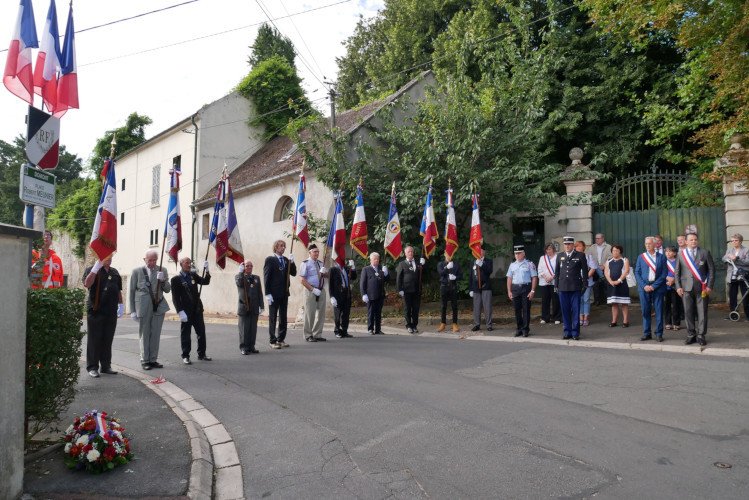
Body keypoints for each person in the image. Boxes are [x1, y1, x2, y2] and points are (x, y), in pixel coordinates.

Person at [129, 250, 171, 370]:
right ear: (145, 260)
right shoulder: (137, 271)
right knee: (145, 333)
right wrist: (132, 310)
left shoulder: (162, 270)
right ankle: (144, 360)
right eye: (150, 260)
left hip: (158, 305)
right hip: (143, 305)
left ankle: (153, 359)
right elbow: (132, 291)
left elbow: (167, 289)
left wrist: (163, 281)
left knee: (155, 334)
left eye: (154, 260)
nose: (152, 263)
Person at [82, 257, 124, 378]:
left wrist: (121, 305)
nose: (109, 258)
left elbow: (118, 290)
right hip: (96, 309)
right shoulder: (91, 269)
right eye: (106, 256)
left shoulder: (114, 272)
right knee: (94, 339)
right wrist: (95, 269)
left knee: (107, 338)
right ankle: (93, 367)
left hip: (110, 309)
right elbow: (87, 283)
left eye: (111, 256)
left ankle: (106, 365)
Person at [675, 233, 715, 346]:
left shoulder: (705, 252)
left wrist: (709, 286)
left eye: (695, 239)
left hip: (702, 288)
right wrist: (678, 287)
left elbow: (711, 270)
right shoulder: (681, 254)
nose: (694, 241)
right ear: (686, 242)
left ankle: (701, 335)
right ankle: (691, 334)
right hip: (686, 288)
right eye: (691, 240)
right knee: (688, 312)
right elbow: (677, 272)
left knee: (702, 312)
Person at [171, 256, 211, 364]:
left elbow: (205, 282)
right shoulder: (176, 280)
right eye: (186, 263)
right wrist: (180, 311)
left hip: (197, 310)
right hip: (186, 312)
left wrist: (207, 271)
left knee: (201, 332)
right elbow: (175, 298)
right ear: (181, 264)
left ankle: (202, 354)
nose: (189, 265)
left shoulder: (193, 275)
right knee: (186, 334)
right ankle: (185, 355)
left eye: (190, 263)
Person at [263, 240, 296, 349]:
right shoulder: (270, 260)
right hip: (273, 294)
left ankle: (281, 338)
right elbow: (266, 277)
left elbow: (294, 273)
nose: (283, 248)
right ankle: (272, 341)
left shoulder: (286, 260)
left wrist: (292, 262)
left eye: (284, 246)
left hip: (284, 293)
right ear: (276, 247)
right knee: (273, 317)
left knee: (283, 316)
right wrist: (267, 293)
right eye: (281, 246)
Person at [554, 235, 588, 340]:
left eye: (569, 244)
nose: (567, 246)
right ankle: (567, 331)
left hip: (575, 287)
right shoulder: (559, 256)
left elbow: (585, 271)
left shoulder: (580, 255)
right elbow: (557, 272)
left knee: (576, 310)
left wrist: (585, 284)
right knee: (565, 310)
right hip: (563, 287)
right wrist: (556, 285)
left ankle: (575, 332)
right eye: (565, 244)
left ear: (573, 245)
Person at [635, 236, 668, 341]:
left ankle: (659, 333)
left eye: (649, 243)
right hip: (644, 288)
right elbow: (637, 272)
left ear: (655, 245)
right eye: (646, 243)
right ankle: (647, 333)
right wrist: (644, 285)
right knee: (645, 311)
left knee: (658, 310)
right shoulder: (641, 257)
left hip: (657, 288)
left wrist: (654, 286)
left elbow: (664, 273)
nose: (647, 245)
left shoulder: (662, 257)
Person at [299, 244, 329, 342]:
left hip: (321, 289)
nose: (317, 253)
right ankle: (308, 335)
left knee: (321, 313)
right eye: (315, 252)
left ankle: (317, 334)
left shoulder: (320, 263)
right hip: (310, 290)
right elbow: (302, 280)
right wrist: (312, 289)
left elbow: (327, 276)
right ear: (310, 252)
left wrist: (324, 273)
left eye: (318, 252)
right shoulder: (305, 264)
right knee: (309, 313)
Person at [506, 245, 537, 337]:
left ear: (523, 254)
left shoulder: (529, 264)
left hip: (525, 288)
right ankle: (519, 328)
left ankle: (525, 329)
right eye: (516, 253)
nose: (517, 255)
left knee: (526, 309)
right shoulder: (512, 265)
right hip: (515, 288)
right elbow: (509, 278)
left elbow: (534, 278)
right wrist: (509, 291)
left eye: (519, 253)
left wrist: (532, 291)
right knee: (517, 309)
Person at [236, 260, 264, 355]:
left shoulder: (256, 278)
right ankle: (244, 347)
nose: (249, 267)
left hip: (254, 307)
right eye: (247, 266)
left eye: (250, 266)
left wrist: (262, 305)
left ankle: (251, 346)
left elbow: (259, 292)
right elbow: (239, 284)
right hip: (244, 307)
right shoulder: (240, 277)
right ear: (244, 267)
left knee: (253, 328)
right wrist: (240, 272)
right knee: (244, 329)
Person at [396, 246, 425, 334]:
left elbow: (423, 273)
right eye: (409, 252)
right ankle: (409, 325)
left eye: (412, 251)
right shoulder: (402, 264)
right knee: (407, 309)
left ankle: (414, 325)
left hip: (416, 290)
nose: (411, 253)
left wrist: (423, 265)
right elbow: (398, 278)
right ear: (405, 253)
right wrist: (399, 289)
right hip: (406, 291)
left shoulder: (417, 263)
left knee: (416, 309)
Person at [360, 252, 390, 334]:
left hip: (380, 294)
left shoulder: (381, 268)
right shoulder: (366, 269)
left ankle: (378, 329)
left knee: (378, 313)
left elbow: (387, 280)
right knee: (371, 312)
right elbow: (362, 283)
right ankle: (370, 328)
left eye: (378, 259)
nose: (377, 260)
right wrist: (363, 294)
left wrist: (386, 273)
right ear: (370, 260)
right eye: (375, 259)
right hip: (370, 295)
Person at [723, 233, 749, 321]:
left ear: (740, 241)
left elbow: (747, 262)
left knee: (746, 296)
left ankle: (748, 315)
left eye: (736, 240)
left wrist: (736, 258)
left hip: (743, 276)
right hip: (732, 276)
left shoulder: (746, 250)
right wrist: (728, 257)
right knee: (732, 296)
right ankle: (733, 314)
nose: (734, 242)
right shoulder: (729, 250)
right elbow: (724, 259)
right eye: (732, 241)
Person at [604, 243, 630, 327]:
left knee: (624, 303)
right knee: (614, 303)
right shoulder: (609, 261)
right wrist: (610, 281)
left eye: (617, 251)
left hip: (622, 284)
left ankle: (625, 321)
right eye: (613, 251)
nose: (615, 252)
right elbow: (606, 272)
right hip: (612, 285)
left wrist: (619, 280)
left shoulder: (625, 260)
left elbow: (626, 271)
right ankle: (614, 321)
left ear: (620, 251)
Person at [329, 258, 356, 338]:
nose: (342, 262)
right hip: (338, 294)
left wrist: (353, 268)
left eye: (343, 260)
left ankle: (344, 330)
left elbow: (354, 277)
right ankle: (337, 330)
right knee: (337, 313)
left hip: (346, 293)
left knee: (346, 313)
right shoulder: (333, 270)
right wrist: (332, 296)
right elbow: (330, 284)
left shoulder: (347, 269)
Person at [437, 251, 463, 332]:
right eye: (447, 254)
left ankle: (454, 323)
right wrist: (447, 267)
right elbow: (441, 273)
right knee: (443, 306)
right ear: (444, 254)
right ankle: (443, 323)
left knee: (454, 306)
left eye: (450, 254)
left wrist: (455, 277)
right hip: (444, 286)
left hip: (453, 287)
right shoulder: (441, 264)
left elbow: (461, 276)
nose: (449, 255)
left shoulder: (456, 264)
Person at [469, 248, 493, 332]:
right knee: (476, 307)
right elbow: (470, 277)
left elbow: (489, 271)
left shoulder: (488, 261)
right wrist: (470, 289)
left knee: (487, 307)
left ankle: (489, 325)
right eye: (477, 250)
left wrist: (482, 264)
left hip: (486, 287)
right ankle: (476, 324)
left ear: (484, 252)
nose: (479, 252)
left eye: (481, 250)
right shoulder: (473, 262)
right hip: (476, 287)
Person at [537, 243, 561, 325]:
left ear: (553, 249)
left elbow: (559, 269)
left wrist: (552, 277)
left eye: (550, 249)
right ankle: (545, 317)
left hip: (554, 282)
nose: (548, 251)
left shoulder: (557, 257)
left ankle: (557, 317)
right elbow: (539, 269)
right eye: (547, 249)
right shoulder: (542, 258)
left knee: (556, 300)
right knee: (545, 300)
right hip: (544, 282)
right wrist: (545, 277)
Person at [576, 241, 598, 327]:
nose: (578, 248)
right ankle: (580, 317)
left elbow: (593, 268)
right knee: (579, 300)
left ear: (584, 247)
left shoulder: (588, 257)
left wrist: (584, 278)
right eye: (577, 246)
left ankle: (586, 318)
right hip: (576, 282)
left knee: (586, 299)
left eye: (580, 246)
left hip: (587, 282)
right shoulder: (573, 257)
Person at [589, 233, 612, 305]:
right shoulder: (592, 247)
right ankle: (597, 301)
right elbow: (589, 257)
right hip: (595, 269)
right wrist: (593, 266)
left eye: (598, 238)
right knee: (595, 285)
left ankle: (608, 301)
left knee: (607, 284)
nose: (597, 240)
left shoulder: (608, 247)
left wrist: (604, 265)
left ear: (603, 239)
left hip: (606, 268)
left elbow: (611, 257)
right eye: (596, 238)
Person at [664, 246, 682, 331]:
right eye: (666, 251)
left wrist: (673, 280)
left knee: (676, 305)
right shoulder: (663, 261)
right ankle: (668, 322)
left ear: (675, 253)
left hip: (676, 286)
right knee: (666, 305)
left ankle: (676, 323)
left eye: (670, 251)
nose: (668, 253)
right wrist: (668, 279)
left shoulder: (678, 261)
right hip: (666, 285)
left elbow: (681, 272)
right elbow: (661, 272)